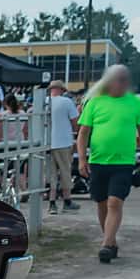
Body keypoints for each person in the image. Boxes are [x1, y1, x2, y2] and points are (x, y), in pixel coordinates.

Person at [76, 64, 140, 264]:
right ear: (109, 81)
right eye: (118, 79)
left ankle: (106, 244)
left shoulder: (136, 103)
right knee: (102, 203)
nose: (122, 84)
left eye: (124, 80)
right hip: (98, 161)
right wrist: (82, 159)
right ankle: (110, 241)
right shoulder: (95, 103)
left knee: (114, 202)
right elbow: (83, 133)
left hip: (124, 162)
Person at [45, 80, 80, 215]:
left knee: (51, 174)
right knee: (65, 171)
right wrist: (76, 135)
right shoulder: (67, 102)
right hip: (63, 141)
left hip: (47, 142)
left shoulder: (45, 102)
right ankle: (67, 201)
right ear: (61, 89)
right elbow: (75, 122)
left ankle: (52, 203)